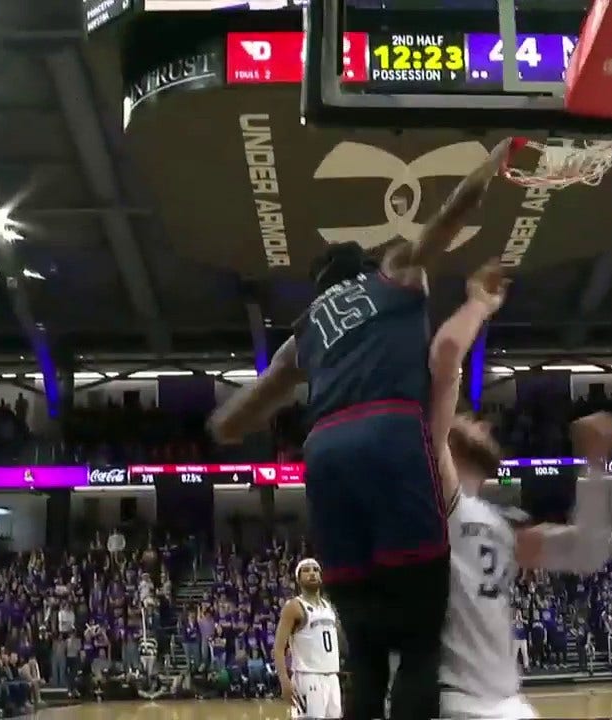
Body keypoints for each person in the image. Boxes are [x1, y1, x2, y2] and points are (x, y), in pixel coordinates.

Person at [208, 137, 516, 720]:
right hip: (389, 434)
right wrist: (492, 162)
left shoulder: (306, 333)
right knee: (422, 645)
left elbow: (232, 422)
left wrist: (216, 424)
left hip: (324, 451)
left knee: (367, 656)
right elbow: (451, 214)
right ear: (363, 269)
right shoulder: (394, 272)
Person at [421, 263, 612, 718]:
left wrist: (595, 467)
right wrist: (479, 304)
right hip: (457, 703)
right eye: (468, 415)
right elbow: (447, 356)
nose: (483, 420)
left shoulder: (495, 522)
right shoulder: (437, 496)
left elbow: (588, 551)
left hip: (507, 704)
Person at [273, 558, 342, 720]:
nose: (312, 573)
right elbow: (278, 647)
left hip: (332, 677)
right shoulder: (294, 606)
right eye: (306, 570)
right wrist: (284, 680)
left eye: (315, 570)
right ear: (298, 579)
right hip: (308, 677)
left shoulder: (329, 606)